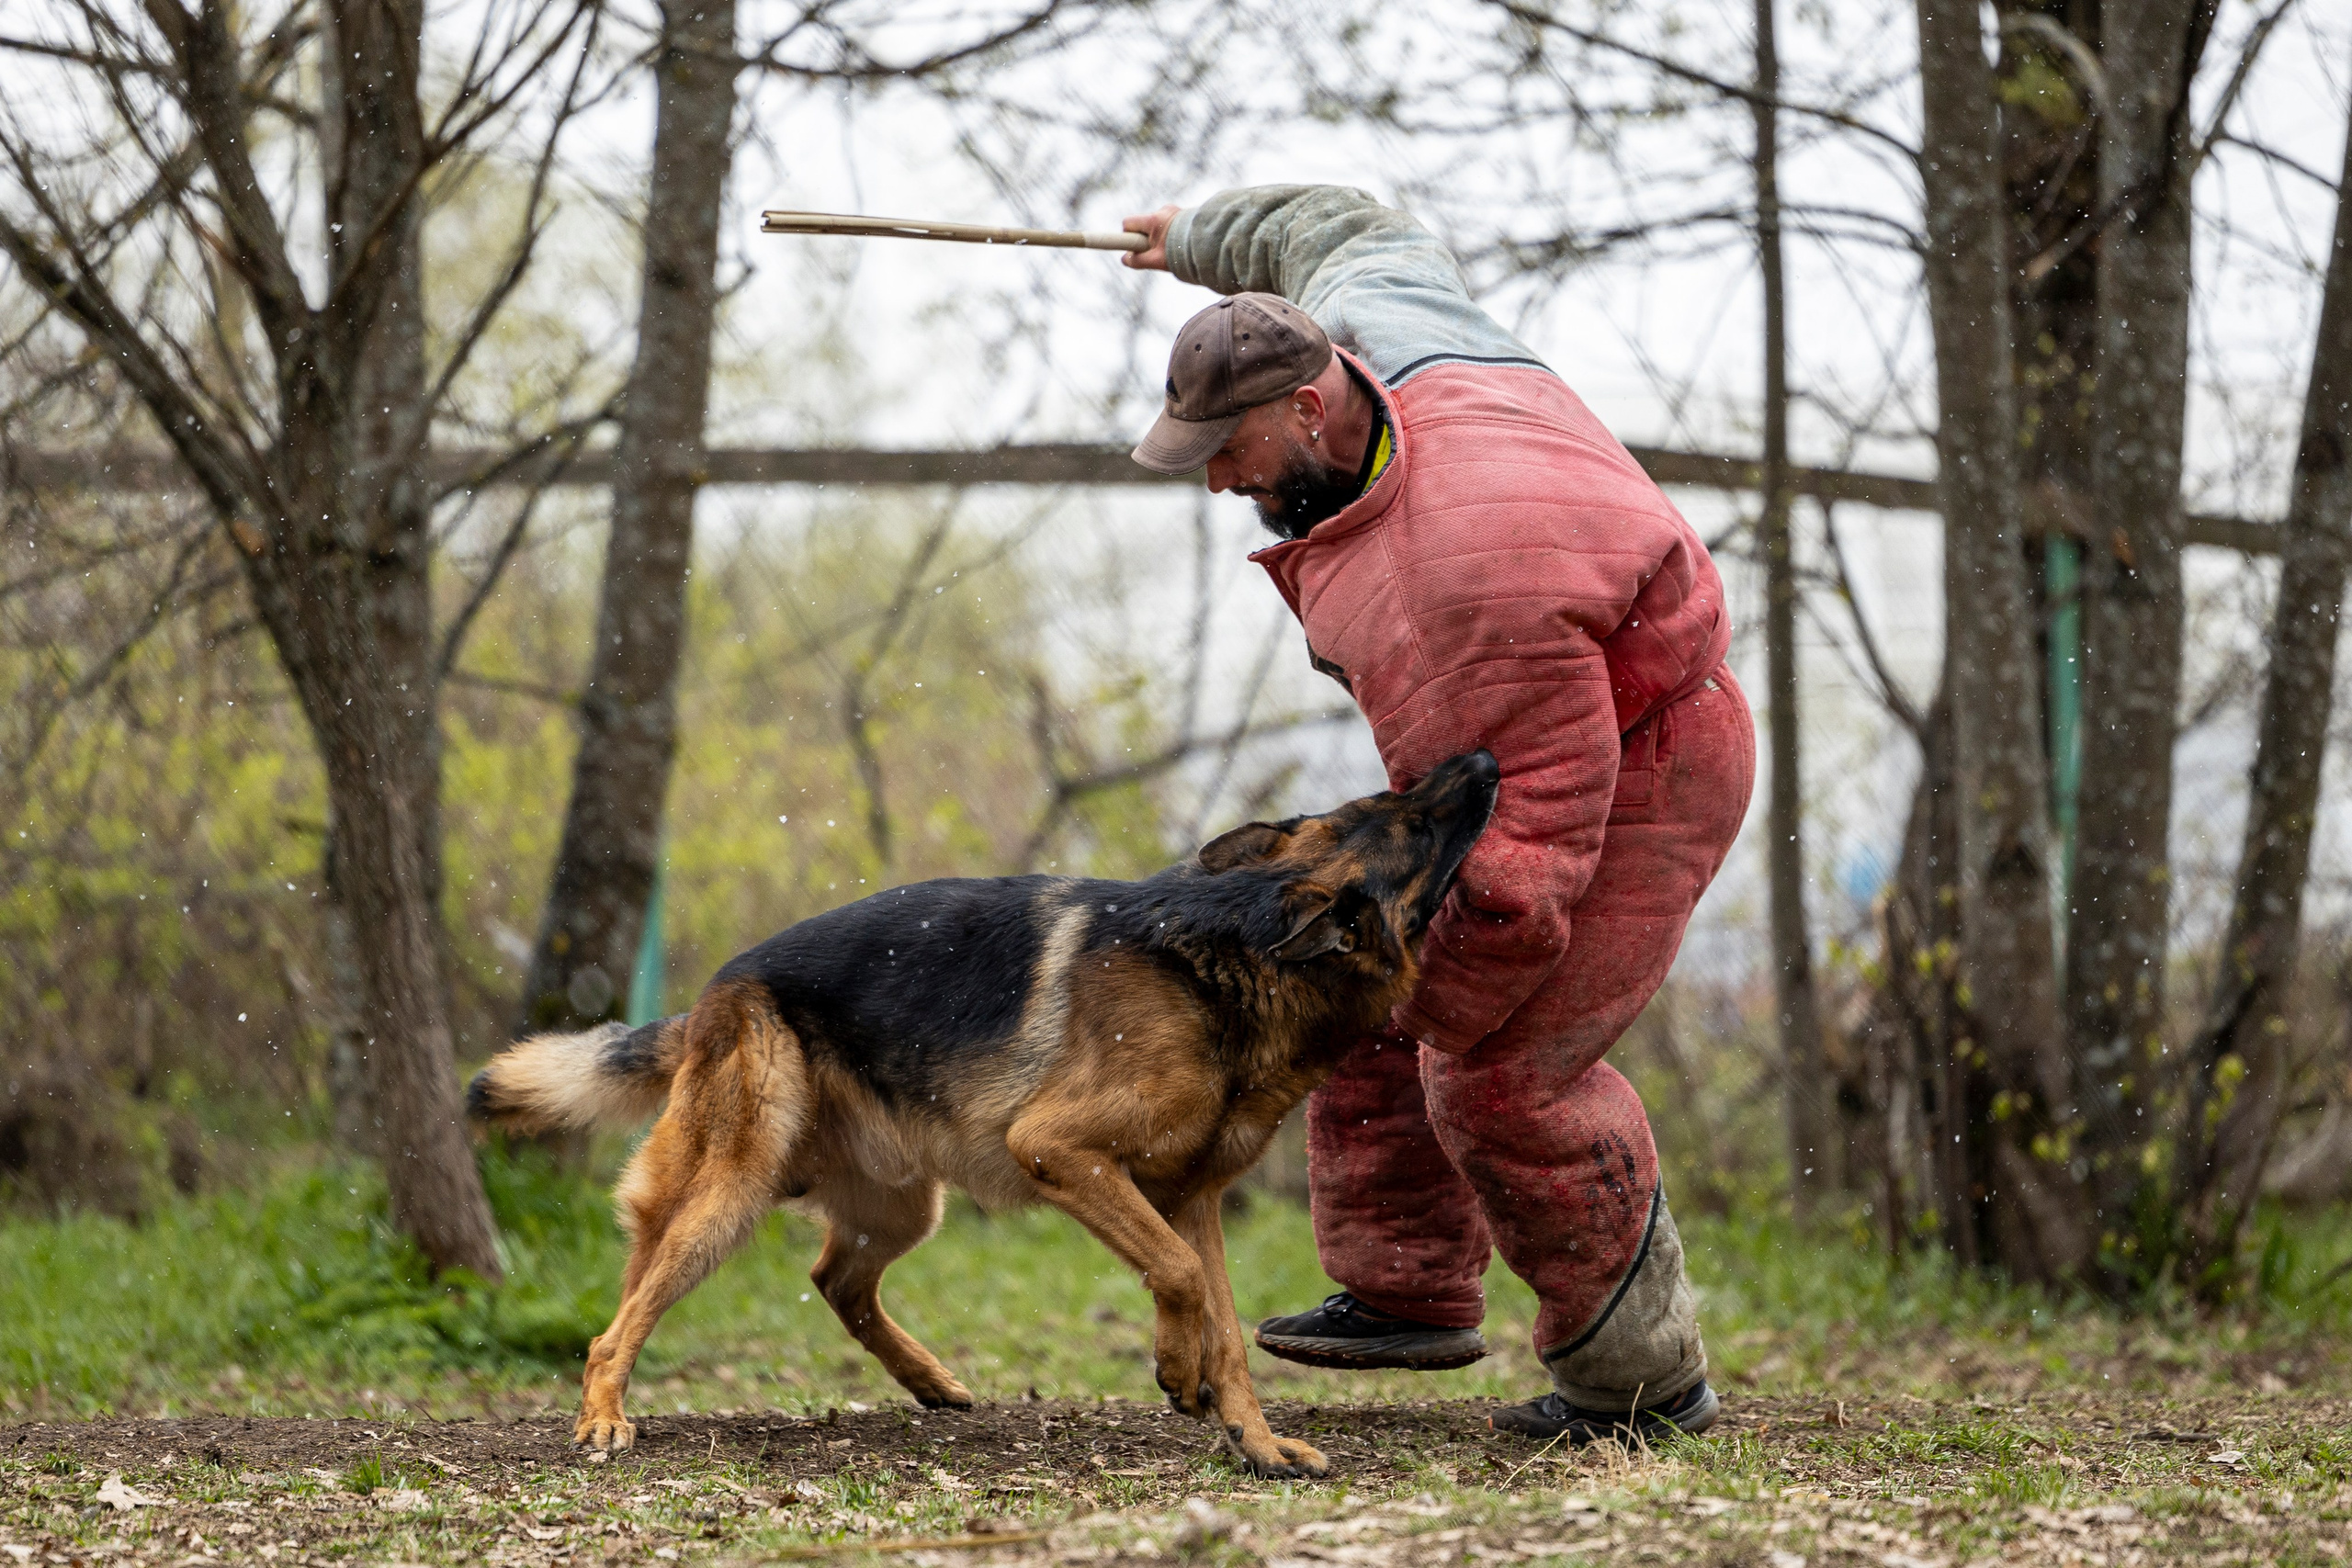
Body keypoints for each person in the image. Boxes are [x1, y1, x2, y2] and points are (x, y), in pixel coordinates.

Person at [1121, 186, 1754, 1443]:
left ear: (1309, 409)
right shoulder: (1379, 325)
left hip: (1649, 758)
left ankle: (1641, 1388)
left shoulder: (1456, 587)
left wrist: (1418, 1012)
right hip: (1528, 740)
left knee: (1501, 1078)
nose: (1218, 486)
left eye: (1230, 454)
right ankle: (1405, 1286)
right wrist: (1191, 237)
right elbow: (1335, 224)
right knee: (1344, 945)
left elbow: (1518, 876)